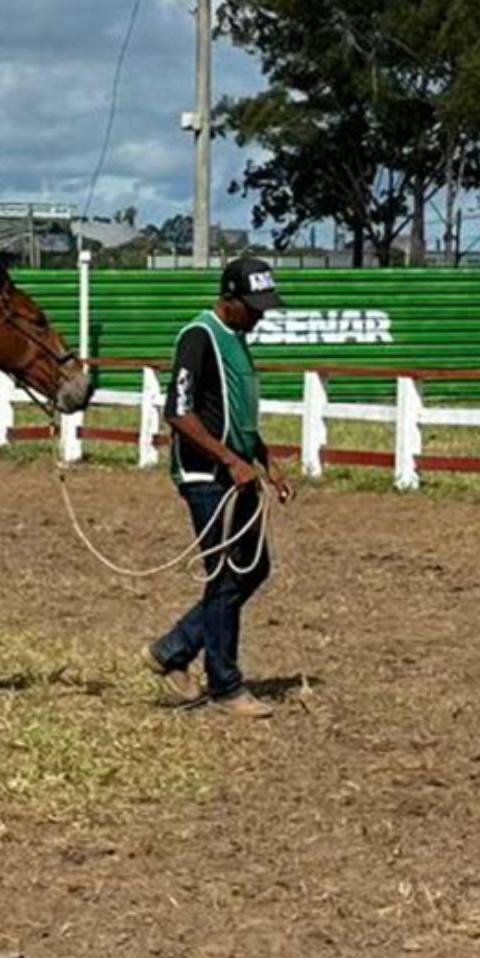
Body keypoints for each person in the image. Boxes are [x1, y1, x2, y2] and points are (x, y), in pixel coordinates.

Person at [145, 256, 295, 719]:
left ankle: (173, 649)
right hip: (206, 477)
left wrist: (265, 463)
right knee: (227, 576)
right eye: (253, 306)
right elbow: (179, 411)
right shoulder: (199, 336)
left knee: (253, 569)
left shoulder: (236, 340)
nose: (260, 315)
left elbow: (237, 417)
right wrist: (229, 460)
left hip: (236, 474)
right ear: (228, 299)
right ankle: (225, 684)